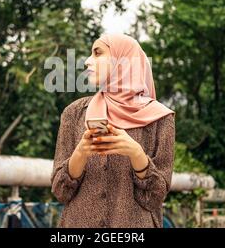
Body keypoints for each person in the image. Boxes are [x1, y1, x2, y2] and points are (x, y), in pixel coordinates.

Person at [51, 33, 175, 228]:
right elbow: (61, 192)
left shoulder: (159, 118)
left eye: (98, 53)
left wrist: (136, 154)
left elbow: (154, 197)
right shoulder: (74, 113)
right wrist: (81, 152)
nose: (87, 61)